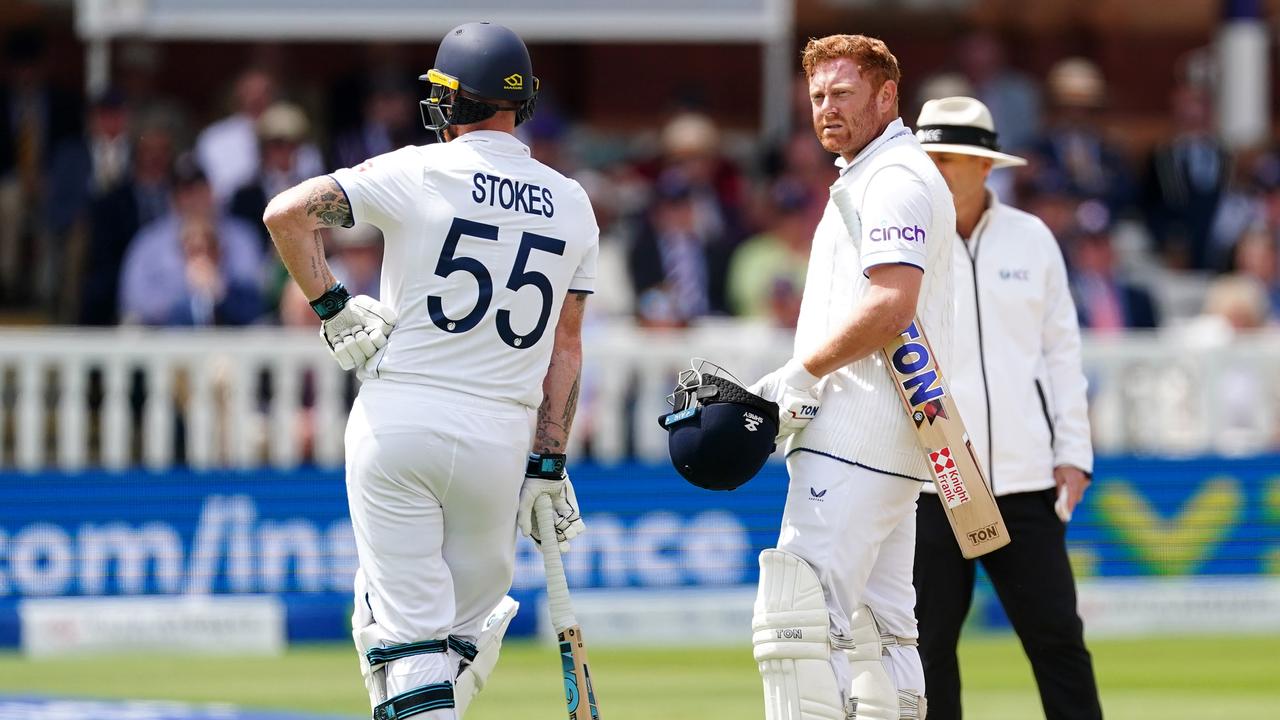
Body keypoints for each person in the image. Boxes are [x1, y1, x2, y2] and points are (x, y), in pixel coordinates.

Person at [262, 21, 598, 720]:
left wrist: (332, 305)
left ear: (453, 99)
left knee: (403, 634)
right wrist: (549, 459)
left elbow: (286, 214)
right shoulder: (571, 201)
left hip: (401, 420)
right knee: (459, 637)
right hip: (500, 438)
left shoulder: (416, 168)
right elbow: (566, 349)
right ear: (523, 102)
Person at [747, 34, 955, 720]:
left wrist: (800, 374)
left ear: (887, 95)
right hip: (887, 436)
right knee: (881, 635)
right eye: (816, 97)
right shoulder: (881, 171)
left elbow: (892, 304)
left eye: (842, 93)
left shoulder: (891, 177)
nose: (827, 109)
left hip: (856, 430)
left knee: (799, 624)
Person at [912, 96, 1102, 720]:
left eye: (950, 157)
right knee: (925, 649)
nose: (937, 168)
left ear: (985, 165)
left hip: (1023, 478)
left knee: (1058, 642)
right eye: (929, 155)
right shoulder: (900, 240)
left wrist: (1073, 452)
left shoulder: (1032, 237)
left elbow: (1061, 353)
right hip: (930, 481)